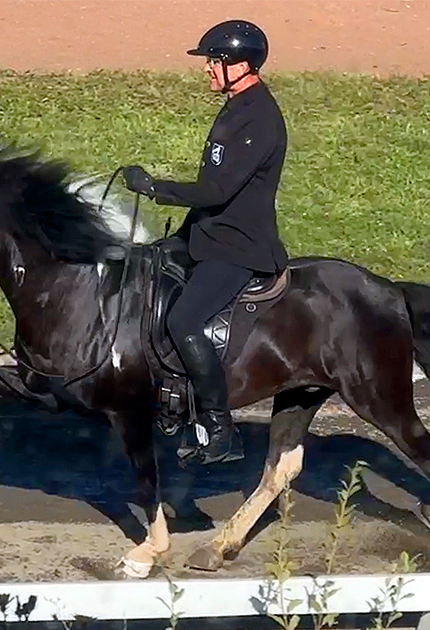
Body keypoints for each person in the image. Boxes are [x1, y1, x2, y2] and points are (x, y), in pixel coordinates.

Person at [122, 19, 289, 465]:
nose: (209, 69)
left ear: (244, 66)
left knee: (183, 321)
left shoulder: (259, 119)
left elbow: (217, 192)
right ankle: (169, 398)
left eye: (217, 61)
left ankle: (218, 428)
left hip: (239, 247)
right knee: (145, 277)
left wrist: (154, 187)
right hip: (207, 234)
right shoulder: (236, 106)